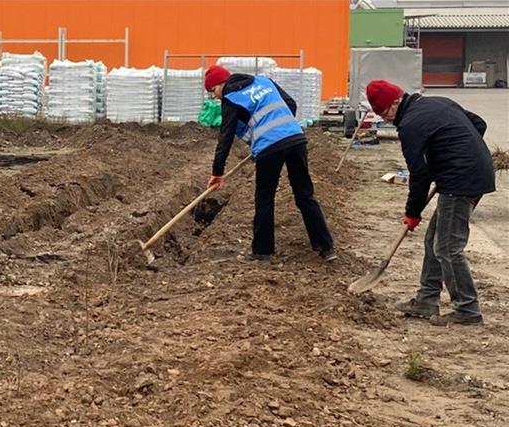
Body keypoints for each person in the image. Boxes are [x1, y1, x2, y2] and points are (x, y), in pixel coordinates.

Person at [366, 80, 495, 326]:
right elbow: (479, 124)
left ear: (395, 102)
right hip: (472, 172)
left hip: (461, 181)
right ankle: (427, 300)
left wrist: (412, 213)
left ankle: (467, 309)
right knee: (434, 240)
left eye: (385, 113)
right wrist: (455, 151)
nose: (387, 120)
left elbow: (419, 173)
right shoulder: (438, 102)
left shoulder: (410, 125)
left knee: (447, 247)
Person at [204, 65, 336, 262]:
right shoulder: (263, 81)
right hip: (296, 139)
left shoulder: (231, 97)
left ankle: (263, 251)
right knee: (305, 196)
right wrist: (279, 129)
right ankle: (326, 248)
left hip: (270, 148)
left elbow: (226, 135)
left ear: (222, 83)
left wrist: (217, 172)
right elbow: (291, 104)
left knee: (265, 197)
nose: (214, 96)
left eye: (213, 90)